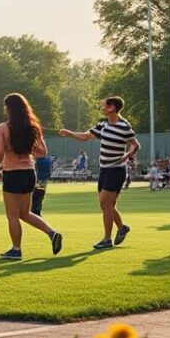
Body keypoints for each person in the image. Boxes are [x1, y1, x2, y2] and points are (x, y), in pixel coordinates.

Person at [59, 96, 140, 250]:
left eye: (105, 105)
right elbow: (86, 136)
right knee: (108, 205)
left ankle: (107, 239)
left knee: (105, 204)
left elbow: (136, 145)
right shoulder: (102, 124)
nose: (102, 107)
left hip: (116, 170)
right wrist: (70, 133)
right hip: (105, 169)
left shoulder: (124, 126)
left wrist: (127, 155)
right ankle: (122, 228)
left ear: (112, 108)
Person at [0, 93, 63, 260]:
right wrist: (27, 149)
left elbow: (0, 151)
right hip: (29, 173)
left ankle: (16, 249)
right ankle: (52, 233)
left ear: (8, 108)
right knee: (25, 213)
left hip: (12, 174)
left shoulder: (2, 128)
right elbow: (42, 152)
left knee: (12, 215)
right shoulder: (33, 127)